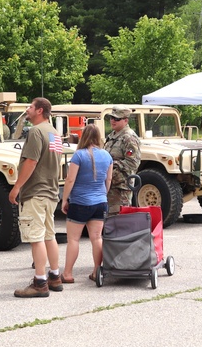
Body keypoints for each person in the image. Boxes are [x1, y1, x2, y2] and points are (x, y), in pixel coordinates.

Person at [8, 97, 64, 298]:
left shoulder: (35, 132)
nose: (27, 109)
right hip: (51, 191)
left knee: (36, 237)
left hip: (36, 192)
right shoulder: (55, 133)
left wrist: (16, 188)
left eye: (30, 107)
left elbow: (31, 161)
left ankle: (40, 282)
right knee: (50, 235)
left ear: (40, 110)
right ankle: (55, 276)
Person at [60, 124, 113, 283]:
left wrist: (64, 199)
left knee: (73, 240)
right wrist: (103, 194)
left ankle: (68, 274)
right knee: (97, 238)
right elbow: (108, 179)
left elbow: (70, 179)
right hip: (100, 202)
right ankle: (97, 271)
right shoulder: (107, 156)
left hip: (80, 202)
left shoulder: (79, 155)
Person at [104, 106, 141, 215]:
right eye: (111, 118)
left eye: (116, 119)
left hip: (121, 187)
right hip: (109, 185)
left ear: (125, 120)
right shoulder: (112, 136)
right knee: (109, 220)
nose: (112, 121)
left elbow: (133, 163)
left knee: (119, 220)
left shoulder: (129, 138)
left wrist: (112, 166)